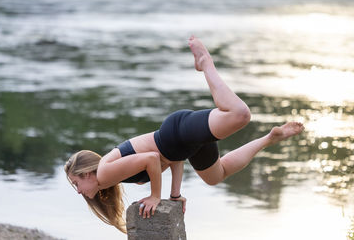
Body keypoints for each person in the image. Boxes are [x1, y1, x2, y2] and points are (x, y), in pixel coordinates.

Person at [64, 35, 304, 233]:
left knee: (240, 114)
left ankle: (205, 64)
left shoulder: (105, 172)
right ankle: (269, 139)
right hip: (180, 144)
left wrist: (155, 196)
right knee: (215, 175)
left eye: (76, 182)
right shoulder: (113, 173)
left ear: (87, 173)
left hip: (177, 132)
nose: (78, 191)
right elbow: (169, 157)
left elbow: (152, 159)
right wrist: (174, 195)